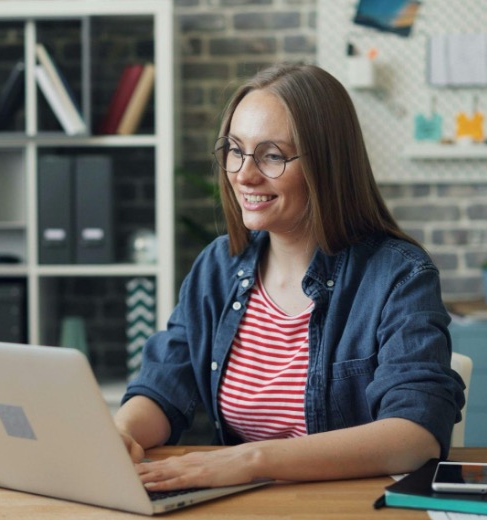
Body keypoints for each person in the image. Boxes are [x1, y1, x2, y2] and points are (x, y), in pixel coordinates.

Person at [114, 62, 465, 492]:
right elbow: (164, 384)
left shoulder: (398, 275)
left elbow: (416, 436)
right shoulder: (218, 266)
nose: (244, 174)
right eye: (235, 149)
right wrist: (121, 433)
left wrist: (254, 459)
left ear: (327, 165)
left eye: (272, 155)